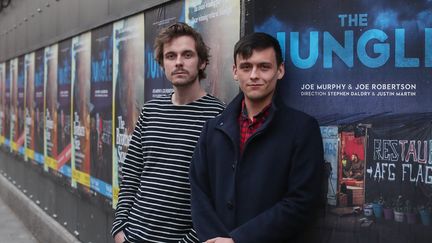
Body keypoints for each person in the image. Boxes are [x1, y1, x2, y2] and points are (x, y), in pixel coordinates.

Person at [189, 32, 324, 243]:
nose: (254, 75)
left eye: (264, 67)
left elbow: (302, 202)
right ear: (235, 72)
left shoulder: (302, 129)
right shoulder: (212, 129)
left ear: (280, 70)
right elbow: (198, 193)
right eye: (246, 67)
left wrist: (238, 240)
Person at [111, 22, 225, 243]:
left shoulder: (219, 116)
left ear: (202, 62)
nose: (179, 62)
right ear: (162, 64)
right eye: (171, 56)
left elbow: (219, 195)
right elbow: (132, 172)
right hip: (133, 236)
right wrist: (119, 228)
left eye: (187, 55)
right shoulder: (151, 110)